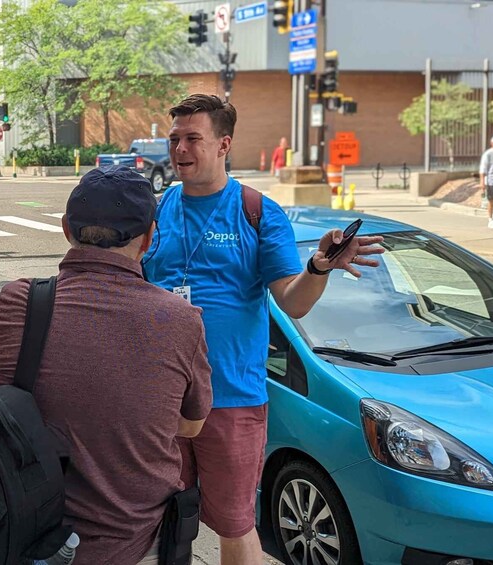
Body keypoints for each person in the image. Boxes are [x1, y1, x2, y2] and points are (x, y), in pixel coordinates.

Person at [141, 94, 384, 565]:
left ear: (224, 143)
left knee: (234, 524)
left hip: (230, 397)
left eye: (193, 138)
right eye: (174, 139)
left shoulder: (256, 211)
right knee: (161, 516)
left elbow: (292, 303)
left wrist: (318, 268)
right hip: (161, 396)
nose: (179, 150)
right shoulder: (156, 209)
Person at [0, 166, 213, 565]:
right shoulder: (180, 319)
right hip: (135, 541)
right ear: (148, 238)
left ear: (66, 228)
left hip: (28, 534)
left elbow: (2, 402)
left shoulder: (16, 302)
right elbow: (191, 425)